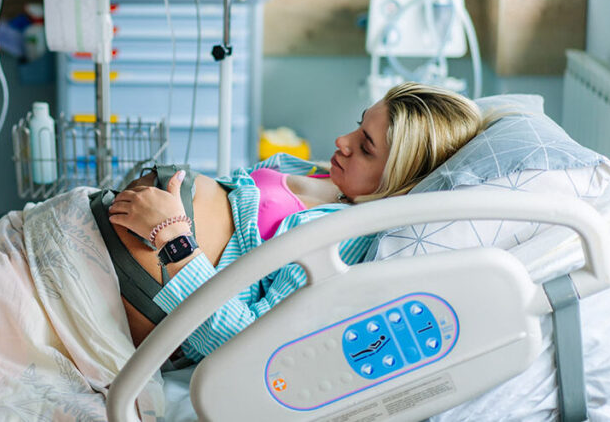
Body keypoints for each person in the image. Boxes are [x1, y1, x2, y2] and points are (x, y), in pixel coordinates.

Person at [99, 82, 484, 362]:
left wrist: (172, 238)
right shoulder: (323, 174)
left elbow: (250, 343)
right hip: (100, 231)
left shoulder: (342, 242)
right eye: (358, 124)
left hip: (124, 291)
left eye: (366, 147)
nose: (342, 140)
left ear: (400, 179)